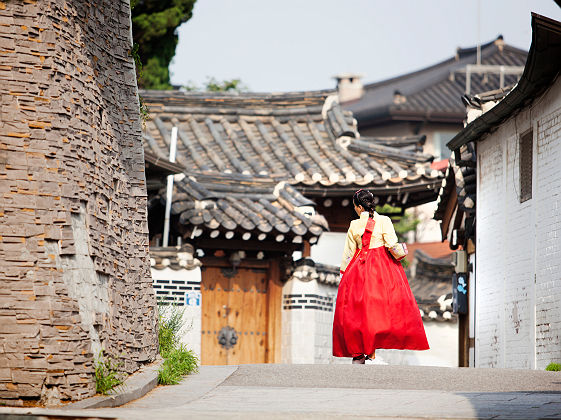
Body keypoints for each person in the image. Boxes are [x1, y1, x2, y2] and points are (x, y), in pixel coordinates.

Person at [332, 189, 429, 364]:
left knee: (358, 312)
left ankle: (360, 352)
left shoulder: (354, 225)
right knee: (381, 309)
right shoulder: (384, 220)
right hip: (380, 268)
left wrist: (344, 274)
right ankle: (371, 351)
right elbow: (392, 245)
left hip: (358, 270)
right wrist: (402, 253)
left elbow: (348, 253)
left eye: (355, 207)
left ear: (359, 207)